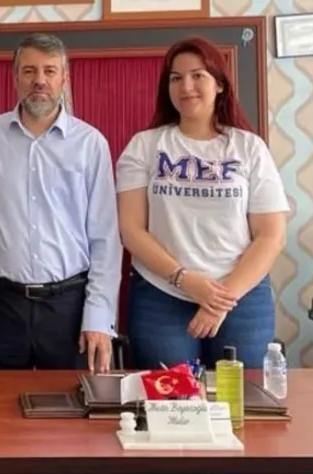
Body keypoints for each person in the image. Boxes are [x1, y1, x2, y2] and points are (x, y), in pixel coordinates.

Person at [116, 37, 289, 369]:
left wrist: (219, 300)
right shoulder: (144, 146)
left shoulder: (249, 147)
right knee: (171, 395)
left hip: (240, 295)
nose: (186, 86)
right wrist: (186, 280)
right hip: (162, 294)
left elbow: (271, 236)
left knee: (242, 394)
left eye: (198, 75)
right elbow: (131, 230)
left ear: (220, 84)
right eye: (176, 78)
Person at [0, 33, 122, 373]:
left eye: (50, 71)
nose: (39, 80)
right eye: (29, 71)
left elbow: (105, 238)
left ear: (64, 79)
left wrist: (99, 317)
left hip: (69, 307)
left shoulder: (90, 143)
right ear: (15, 77)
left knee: (71, 403)